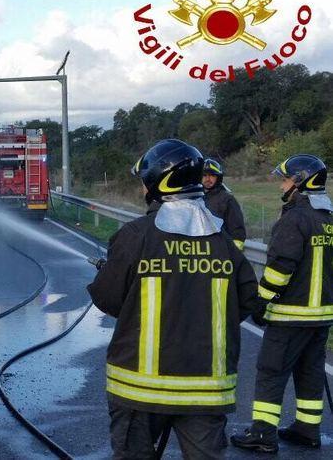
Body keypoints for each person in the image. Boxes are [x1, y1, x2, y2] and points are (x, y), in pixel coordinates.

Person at [88, 139, 258, 459]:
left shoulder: (136, 235)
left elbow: (107, 297)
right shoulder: (222, 241)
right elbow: (247, 299)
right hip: (206, 392)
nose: (142, 187)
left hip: (140, 390)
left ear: (158, 183)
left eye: (144, 181)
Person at [231, 154, 333, 453]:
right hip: (322, 316)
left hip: (290, 316)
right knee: (310, 372)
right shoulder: (329, 219)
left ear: (299, 182)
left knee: (271, 371)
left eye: (286, 179)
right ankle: (307, 429)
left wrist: (261, 302)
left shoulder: (294, 218)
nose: (282, 185)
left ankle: (263, 434)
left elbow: (280, 268)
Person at [202, 159, 247, 250]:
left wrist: (234, 253)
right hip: (199, 252)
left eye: (212, 175)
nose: (208, 179)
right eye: (204, 175)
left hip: (219, 252)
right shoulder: (194, 198)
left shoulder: (227, 199)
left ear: (218, 178)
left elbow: (237, 231)